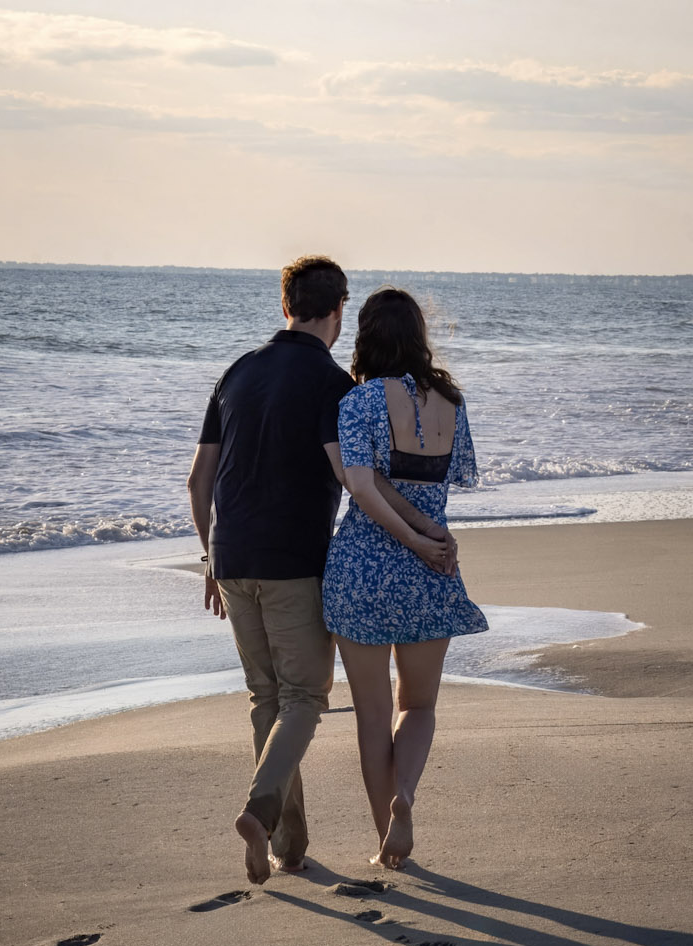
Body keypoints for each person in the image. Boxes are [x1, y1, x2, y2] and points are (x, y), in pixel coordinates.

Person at [186, 257, 361, 883]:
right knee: (306, 696)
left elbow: (198, 479)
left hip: (230, 554)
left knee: (267, 695)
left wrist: (211, 555)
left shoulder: (237, 371)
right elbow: (348, 475)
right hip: (293, 560)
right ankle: (261, 811)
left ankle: (289, 846)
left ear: (284, 304)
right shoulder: (332, 384)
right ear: (338, 308)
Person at [321, 287, 487, 870]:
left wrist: (409, 538)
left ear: (366, 337)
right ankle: (407, 795)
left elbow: (361, 487)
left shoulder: (359, 401)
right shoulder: (450, 401)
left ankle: (385, 839)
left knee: (371, 716)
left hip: (362, 569)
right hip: (429, 573)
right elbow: (447, 484)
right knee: (417, 705)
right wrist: (424, 542)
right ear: (418, 335)